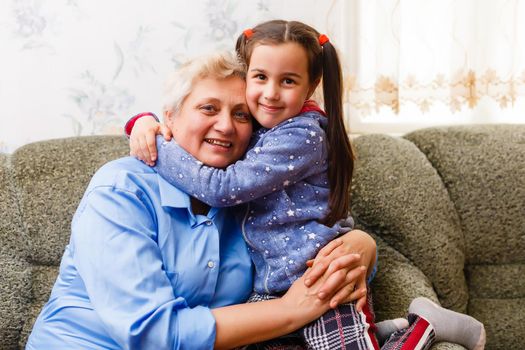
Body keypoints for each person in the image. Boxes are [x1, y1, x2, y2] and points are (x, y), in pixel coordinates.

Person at [127, 20, 486, 350]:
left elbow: (224, 188)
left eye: (287, 81)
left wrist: (158, 146)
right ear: (247, 78)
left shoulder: (302, 136)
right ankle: (384, 332)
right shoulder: (253, 128)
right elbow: (200, 121)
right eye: (260, 77)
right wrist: (146, 120)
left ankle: (426, 325)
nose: (270, 93)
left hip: (321, 281)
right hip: (270, 288)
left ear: (311, 85)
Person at [26, 51, 379, 350]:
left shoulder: (249, 198)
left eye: (241, 114)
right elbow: (150, 334)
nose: (226, 126)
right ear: (170, 118)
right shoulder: (120, 190)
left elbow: (303, 247)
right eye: (208, 108)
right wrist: (291, 310)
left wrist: (361, 246)